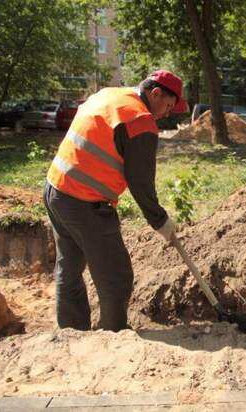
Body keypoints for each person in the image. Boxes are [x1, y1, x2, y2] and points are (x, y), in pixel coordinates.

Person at [43, 70, 188, 332]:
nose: (167, 113)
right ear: (155, 93)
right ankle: (112, 336)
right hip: (84, 202)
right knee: (116, 277)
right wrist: (160, 221)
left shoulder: (110, 94)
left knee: (70, 268)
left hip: (56, 189)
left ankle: (71, 334)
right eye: (168, 106)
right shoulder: (140, 120)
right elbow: (141, 183)